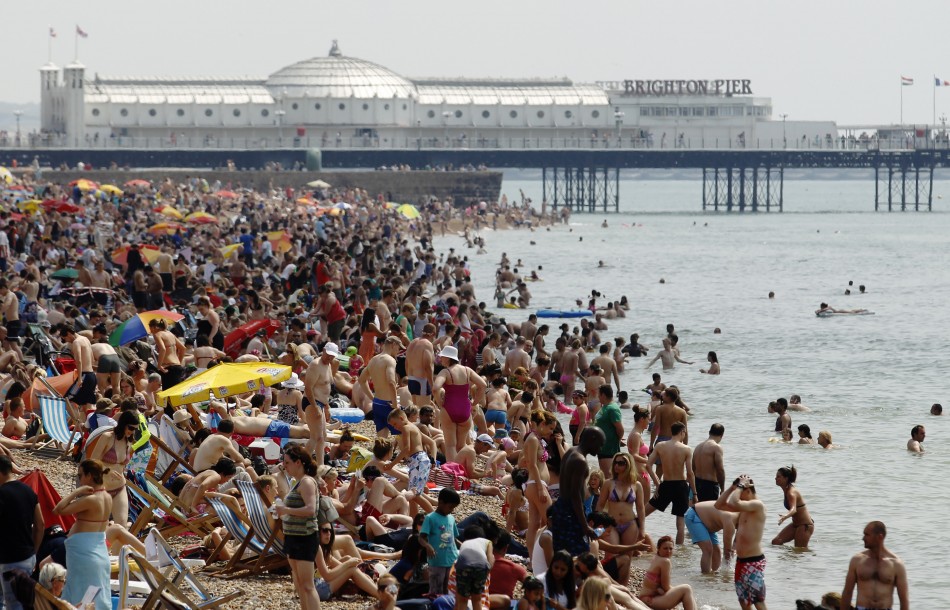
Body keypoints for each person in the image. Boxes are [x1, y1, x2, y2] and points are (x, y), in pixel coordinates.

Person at [52, 459, 112, 610]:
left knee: (78, 600)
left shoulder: (91, 500)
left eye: (80, 476)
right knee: (96, 600)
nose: (79, 480)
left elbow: (58, 510)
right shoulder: (108, 497)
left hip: (84, 556)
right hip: (98, 553)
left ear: (90, 476)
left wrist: (77, 492)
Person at [274, 444, 321, 610]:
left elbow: (310, 510)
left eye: (287, 462)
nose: (284, 466)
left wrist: (285, 509)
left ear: (298, 462)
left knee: (308, 585)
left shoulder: (307, 482)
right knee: (299, 584)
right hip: (293, 535)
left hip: (305, 537)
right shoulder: (297, 482)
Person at [715, 475, 768, 610]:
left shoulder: (757, 505)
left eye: (740, 491)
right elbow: (718, 504)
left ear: (748, 490)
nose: (737, 494)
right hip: (741, 561)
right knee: (743, 600)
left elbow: (734, 503)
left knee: (758, 600)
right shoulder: (744, 509)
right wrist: (732, 487)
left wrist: (740, 486)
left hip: (753, 561)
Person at [550, 427, 604, 557]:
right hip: (569, 512)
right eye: (600, 444)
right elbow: (575, 495)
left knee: (561, 553)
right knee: (578, 556)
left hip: (561, 507)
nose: (600, 449)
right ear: (592, 440)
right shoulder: (580, 461)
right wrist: (584, 525)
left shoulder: (571, 452)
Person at [0, 454, 44, 610]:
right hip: (28, 557)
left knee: (12, 605)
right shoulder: (29, 492)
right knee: (23, 603)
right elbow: (40, 525)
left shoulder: (2, 494)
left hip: (8, 559)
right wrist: (34, 551)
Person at [433, 345, 486, 461]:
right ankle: (461, 470)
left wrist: (439, 402)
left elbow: (435, 387)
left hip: (449, 407)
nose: (441, 359)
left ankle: (452, 472)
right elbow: (483, 385)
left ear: (448, 358)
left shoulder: (445, 372)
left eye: (442, 357)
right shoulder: (467, 370)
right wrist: (474, 402)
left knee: (450, 445)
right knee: (461, 445)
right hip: (465, 408)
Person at [645, 422, 695, 544]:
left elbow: (648, 465)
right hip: (681, 486)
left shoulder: (660, 446)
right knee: (680, 526)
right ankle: (678, 554)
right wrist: (695, 492)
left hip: (666, 485)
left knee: (642, 514)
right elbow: (690, 473)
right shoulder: (686, 449)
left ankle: (630, 534)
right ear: (682, 432)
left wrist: (658, 484)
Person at [840, 521, 908, 610]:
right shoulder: (857, 561)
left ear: (880, 537)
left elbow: (904, 600)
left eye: (867, 535)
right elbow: (847, 593)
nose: (863, 538)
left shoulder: (896, 564)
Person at [358, 336, 402, 438]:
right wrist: (395, 404)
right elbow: (391, 382)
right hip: (388, 404)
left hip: (377, 403)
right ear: (393, 344)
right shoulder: (390, 360)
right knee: (402, 437)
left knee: (382, 440)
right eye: (398, 348)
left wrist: (372, 398)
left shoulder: (374, 359)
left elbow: (361, 380)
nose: (398, 351)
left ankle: (380, 454)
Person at [420, 488, 461, 595]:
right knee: (436, 589)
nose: (451, 510)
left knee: (449, 588)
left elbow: (454, 538)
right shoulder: (430, 518)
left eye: (453, 508)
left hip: (452, 559)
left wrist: (465, 547)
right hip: (437, 560)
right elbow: (421, 537)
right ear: (441, 502)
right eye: (450, 507)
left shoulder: (451, 518)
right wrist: (428, 546)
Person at [637, 535, 696, 610]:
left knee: (687, 590)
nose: (668, 551)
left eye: (671, 549)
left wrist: (662, 590)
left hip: (645, 598)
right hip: (650, 601)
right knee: (686, 588)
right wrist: (677, 593)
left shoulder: (656, 558)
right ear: (658, 548)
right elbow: (666, 587)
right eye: (665, 548)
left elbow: (661, 586)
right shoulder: (665, 562)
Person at [684, 500, 737, 573]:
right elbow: (727, 553)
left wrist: (734, 549)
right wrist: (726, 572)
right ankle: (705, 577)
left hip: (709, 521)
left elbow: (736, 543)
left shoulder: (744, 521)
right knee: (708, 549)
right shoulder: (730, 521)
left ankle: (712, 576)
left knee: (717, 551)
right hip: (694, 514)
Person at [772, 466, 814, 549]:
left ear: (786, 478)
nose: (775, 478)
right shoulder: (786, 490)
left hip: (804, 525)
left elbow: (793, 509)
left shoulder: (791, 492)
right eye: (776, 476)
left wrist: (785, 516)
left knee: (799, 551)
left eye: (778, 476)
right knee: (776, 542)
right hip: (795, 524)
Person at [454, 525, 494, 610]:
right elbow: (490, 558)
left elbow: (460, 561)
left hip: (463, 567)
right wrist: (486, 572)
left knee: (462, 600)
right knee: (477, 599)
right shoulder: (488, 542)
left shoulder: (464, 544)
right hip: (480, 566)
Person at [691, 423, 725, 502]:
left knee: (699, 511)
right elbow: (720, 470)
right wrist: (722, 489)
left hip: (697, 484)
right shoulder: (716, 448)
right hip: (709, 486)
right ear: (722, 435)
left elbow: (693, 468)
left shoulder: (698, 447)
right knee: (710, 512)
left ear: (709, 432)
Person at [593, 385, 623, 473]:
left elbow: (620, 429)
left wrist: (618, 440)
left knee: (608, 476)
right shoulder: (605, 407)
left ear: (603, 395)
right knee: (604, 476)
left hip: (609, 449)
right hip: (602, 447)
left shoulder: (612, 409)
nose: (598, 397)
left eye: (599, 395)